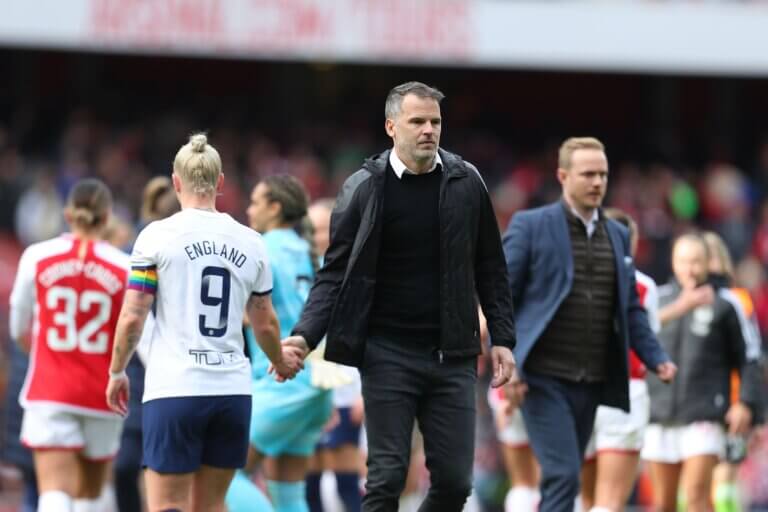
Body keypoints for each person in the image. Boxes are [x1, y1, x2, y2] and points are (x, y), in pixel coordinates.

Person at [282, 81, 517, 512]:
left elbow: (491, 267)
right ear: (391, 126)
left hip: (453, 353)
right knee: (387, 477)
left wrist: (502, 336)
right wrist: (304, 336)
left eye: (435, 122)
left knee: (455, 483)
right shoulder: (364, 188)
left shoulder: (467, 182)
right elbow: (334, 275)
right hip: (386, 352)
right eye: (417, 121)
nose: (429, 130)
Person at [105, 134, 303, 512]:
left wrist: (117, 370)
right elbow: (264, 323)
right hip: (232, 392)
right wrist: (279, 361)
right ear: (220, 182)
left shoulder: (156, 236)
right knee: (212, 506)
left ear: (176, 182)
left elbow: (133, 316)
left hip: (175, 389)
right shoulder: (252, 242)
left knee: (168, 504)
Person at [502, 136, 677, 512]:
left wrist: (656, 357)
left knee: (568, 478)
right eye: (587, 174)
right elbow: (501, 297)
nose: (597, 182)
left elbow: (629, 307)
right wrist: (507, 362)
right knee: (563, 475)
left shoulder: (617, 234)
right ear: (563, 176)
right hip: (541, 377)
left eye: (603, 175)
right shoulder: (531, 226)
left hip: (591, 380)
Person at [9, 178, 130, 512]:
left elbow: (18, 326)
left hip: (50, 389)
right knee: (91, 495)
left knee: (54, 492)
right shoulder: (123, 266)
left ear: (67, 214)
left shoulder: (37, 255)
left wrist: (42, 353)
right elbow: (135, 330)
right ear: (107, 217)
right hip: (101, 391)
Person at [226, 175, 335, 512]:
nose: (249, 210)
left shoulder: (259, 249)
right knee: (288, 495)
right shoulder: (310, 251)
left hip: (281, 381)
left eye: (255, 202)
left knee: (221, 472)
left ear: (274, 208)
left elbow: (250, 315)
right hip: (318, 385)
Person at [642, 233, 762, 512]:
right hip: (659, 414)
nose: (690, 269)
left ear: (708, 263)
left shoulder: (726, 303)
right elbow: (634, 337)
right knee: (663, 503)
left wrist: (746, 403)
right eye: (684, 261)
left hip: (705, 414)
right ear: (673, 262)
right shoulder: (658, 299)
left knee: (697, 495)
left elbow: (750, 357)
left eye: (697, 261)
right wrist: (680, 307)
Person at [579, 208, 661, 512]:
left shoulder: (575, 277)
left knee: (585, 500)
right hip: (626, 392)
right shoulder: (643, 286)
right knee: (610, 502)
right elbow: (648, 337)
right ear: (632, 242)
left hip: (580, 391)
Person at [111, 176, 179, 512]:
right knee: (164, 478)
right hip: (171, 379)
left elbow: (126, 318)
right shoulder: (183, 254)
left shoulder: (126, 253)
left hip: (129, 376)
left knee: (126, 469)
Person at [305, 197, 365, 512]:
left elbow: (367, 332)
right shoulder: (297, 271)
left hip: (344, 389)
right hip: (307, 390)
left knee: (346, 484)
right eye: (310, 229)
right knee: (309, 484)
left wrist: (364, 391)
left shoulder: (355, 272)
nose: (316, 236)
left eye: (322, 229)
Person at [702, 231, 763, 512]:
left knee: (725, 477)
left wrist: (752, 408)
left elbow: (752, 356)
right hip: (695, 403)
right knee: (696, 481)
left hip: (733, 405)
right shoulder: (682, 301)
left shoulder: (739, 301)